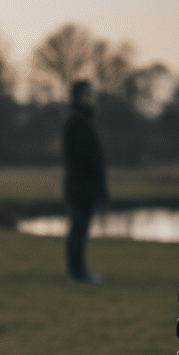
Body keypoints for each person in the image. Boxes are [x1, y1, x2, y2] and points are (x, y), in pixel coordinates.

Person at [63, 79, 108, 283]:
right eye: (88, 94)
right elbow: (84, 157)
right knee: (78, 230)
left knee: (79, 230)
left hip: (80, 185)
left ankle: (77, 271)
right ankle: (78, 273)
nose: (92, 98)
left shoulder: (80, 121)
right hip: (81, 186)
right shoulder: (78, 122)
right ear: (79, 97)